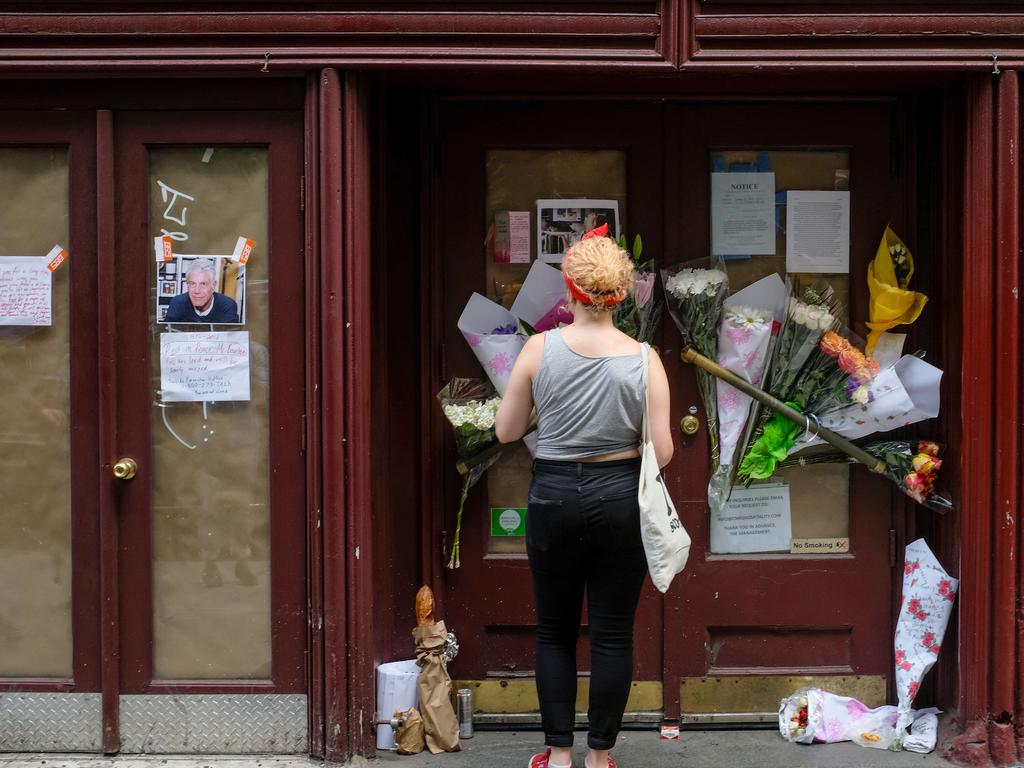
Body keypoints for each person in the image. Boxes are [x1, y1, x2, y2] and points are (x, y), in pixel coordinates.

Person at [495, 226, 673, 768]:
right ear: (621, 294)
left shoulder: (538, 348)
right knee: (613, 634)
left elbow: (506, 431)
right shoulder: (645, 359)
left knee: (554, 630)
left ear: (569, 290)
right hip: (620, 497)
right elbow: (661, 452)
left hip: (553, 493)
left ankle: (558, 753)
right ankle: (600, 759)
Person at [165, 258, 240, 323]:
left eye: (203, 284)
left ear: (213, 285)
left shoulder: (227, 305)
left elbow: (230, 338)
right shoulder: (177, 303)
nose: (197, 291)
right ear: (187, 285)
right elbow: (167, 335)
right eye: (192, 283)